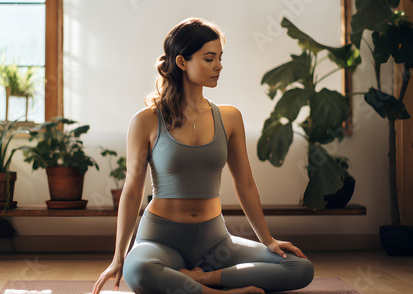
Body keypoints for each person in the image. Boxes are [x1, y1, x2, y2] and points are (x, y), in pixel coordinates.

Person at [92, 17, 314, 294]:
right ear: (182, 62)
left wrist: (268, 240)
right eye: (209, 59)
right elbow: (132, 190)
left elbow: (244, 183)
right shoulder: (146, 121)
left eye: (220, 58)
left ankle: (201, 280)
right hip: (160, 240)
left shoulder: (230, 117)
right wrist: (118, 257)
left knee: (299, 267)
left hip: (216, 242)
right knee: (137, 270)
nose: (219, 66)